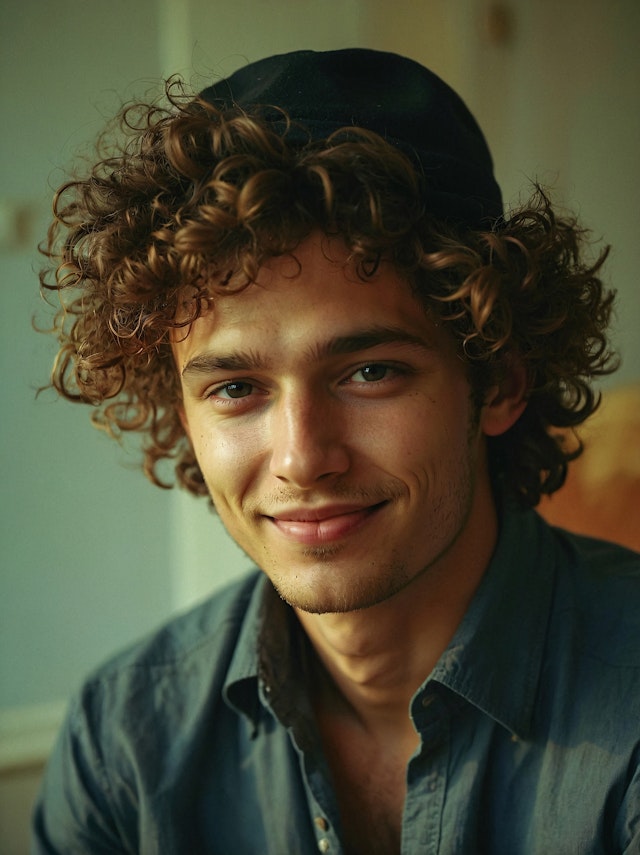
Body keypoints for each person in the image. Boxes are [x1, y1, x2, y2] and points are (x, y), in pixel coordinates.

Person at [32, 48, 640, 854]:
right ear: (179, 411)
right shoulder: (122, 743)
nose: (301, 458)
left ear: (497, 381)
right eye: (236, 388)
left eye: (370, 371)